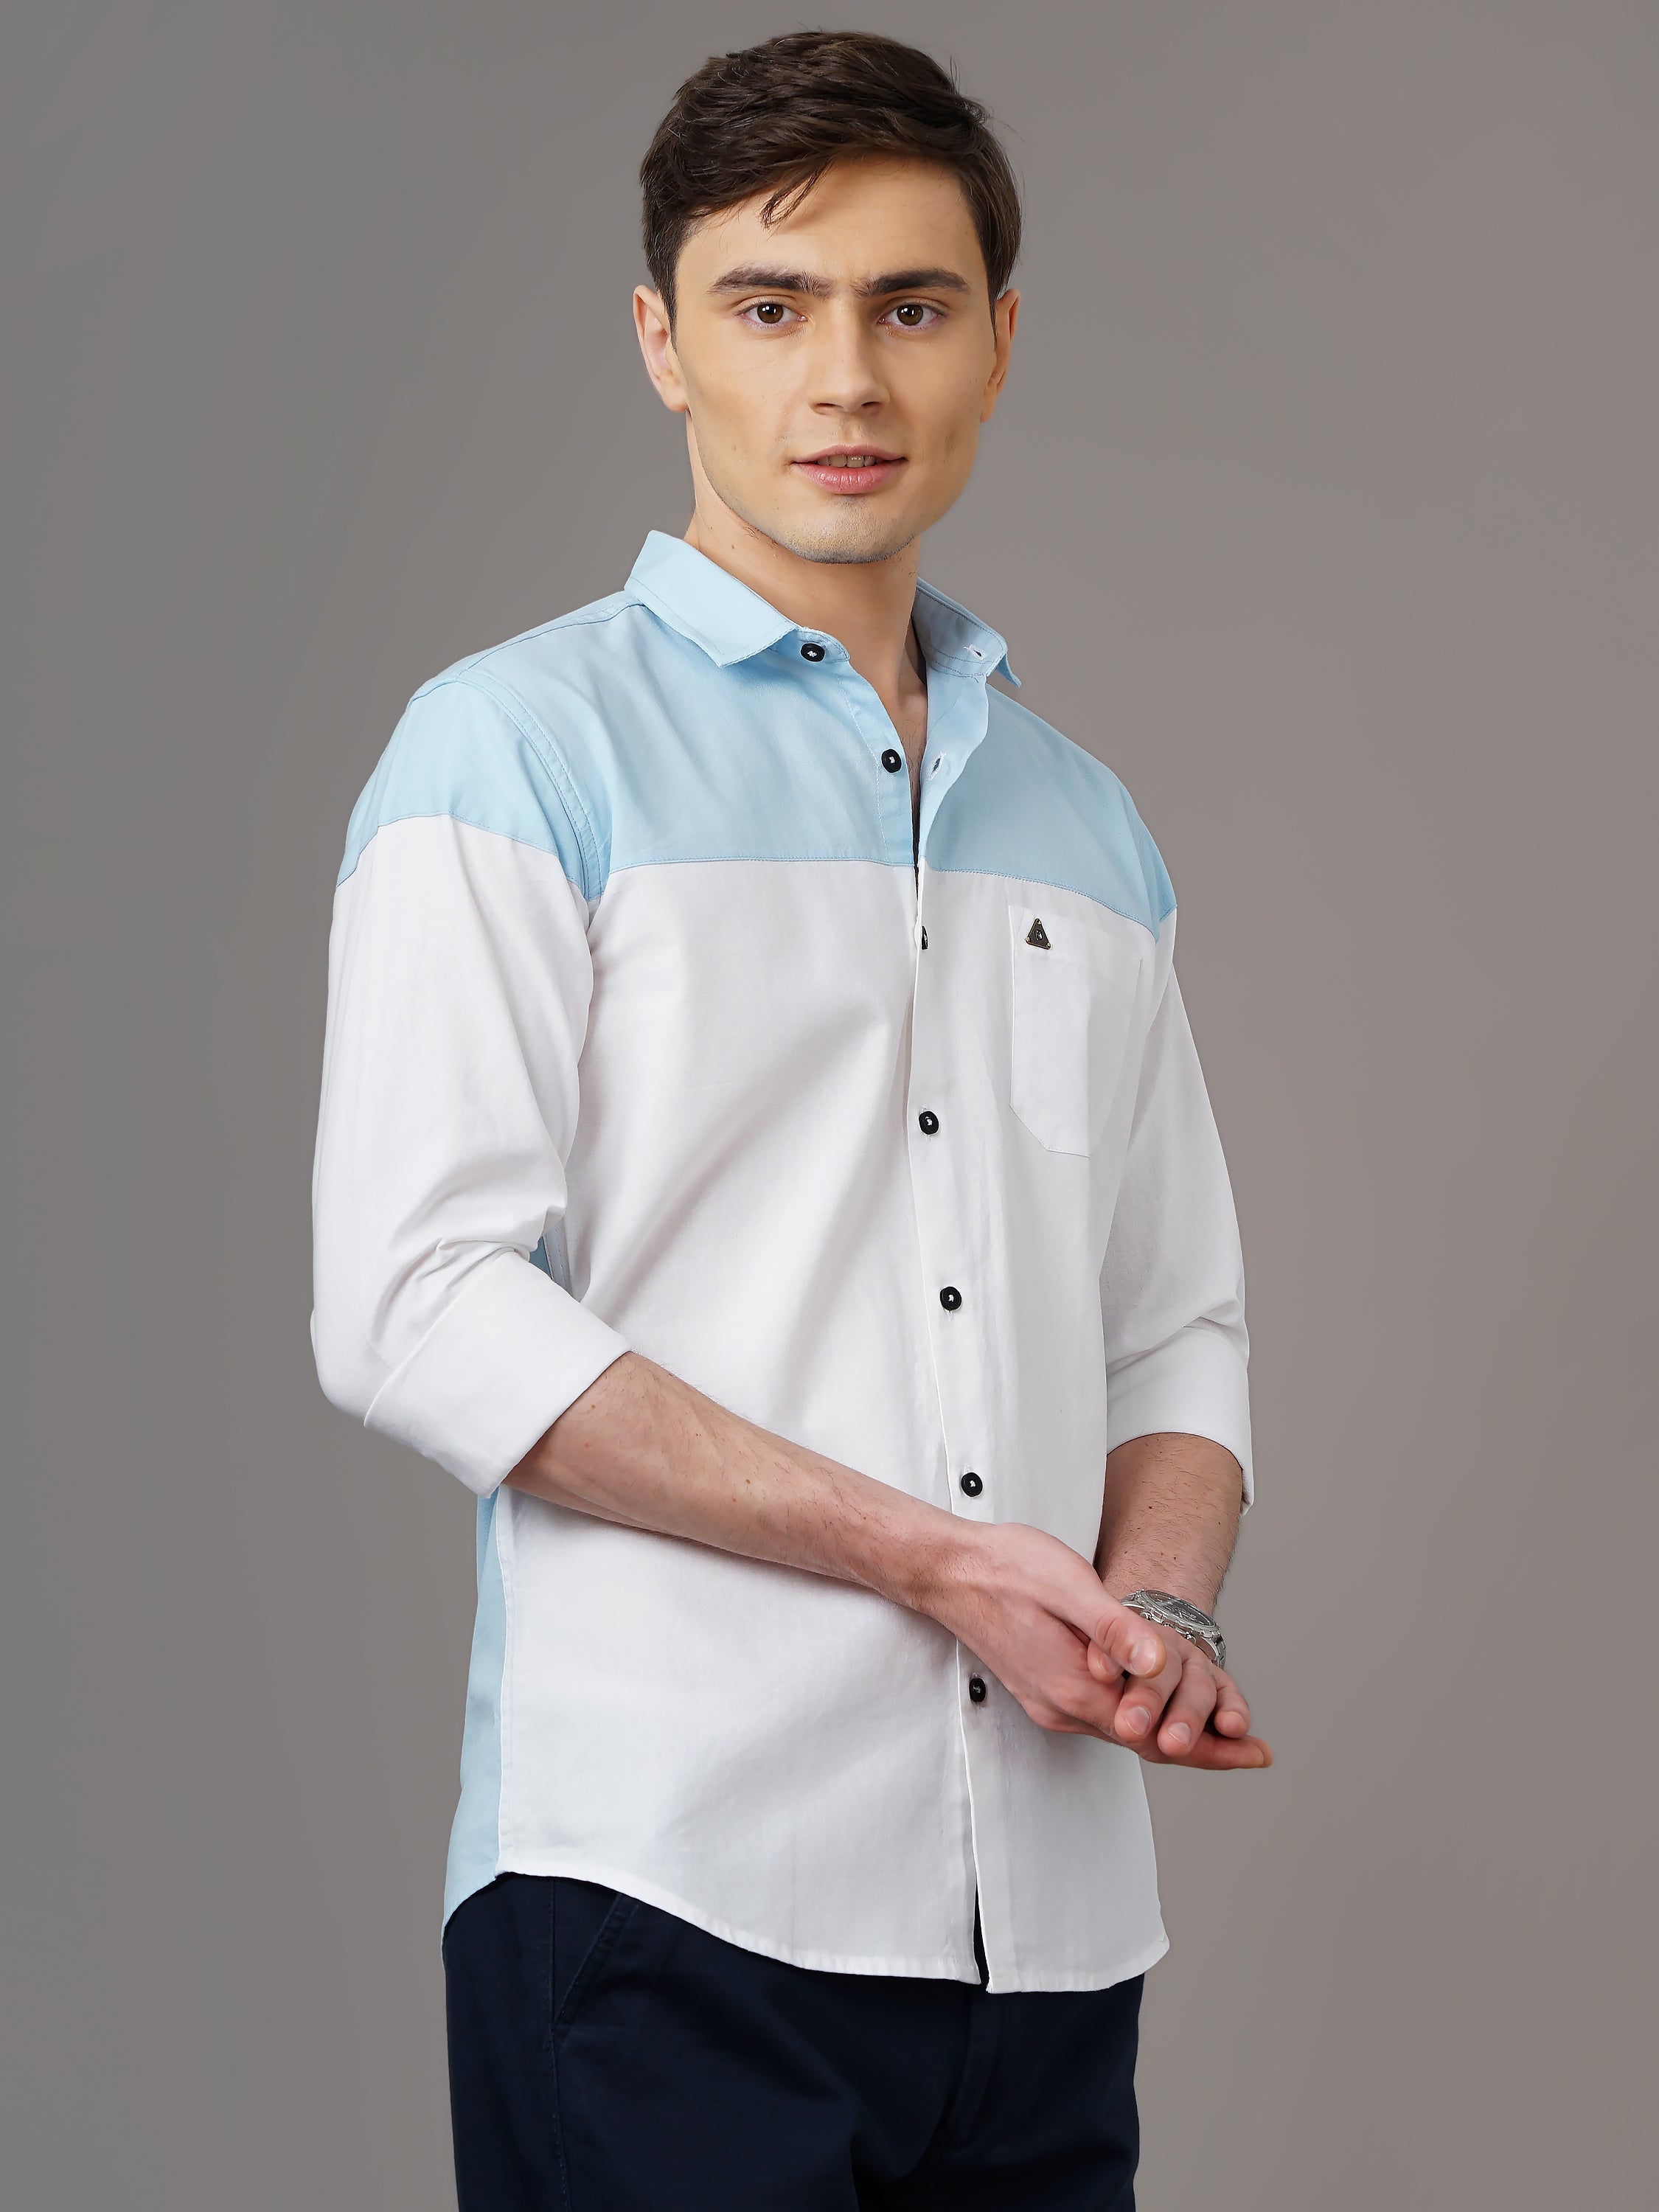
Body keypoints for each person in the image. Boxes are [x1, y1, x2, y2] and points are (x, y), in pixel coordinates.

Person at [311, 28, 1270, 2208]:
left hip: (1048, 1945)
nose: (845, 377)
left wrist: (1160, 1614)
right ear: (663, 342)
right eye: (771, 305)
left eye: (909, 307)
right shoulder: (511, 754)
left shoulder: (1091, 826)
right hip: (667, 1903)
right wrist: (932, 1559)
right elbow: (418, 1299)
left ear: (998, 343)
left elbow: (1176, 1326)